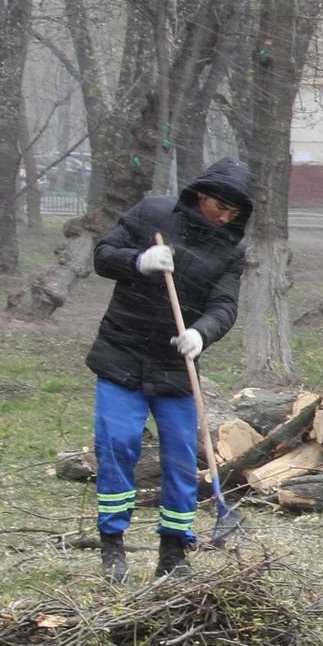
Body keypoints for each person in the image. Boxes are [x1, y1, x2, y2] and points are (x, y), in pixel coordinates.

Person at [88, 157, 252, 581]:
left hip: (176, 365)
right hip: (122, 351)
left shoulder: (231, 249)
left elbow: (225, 305)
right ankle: (113, 547)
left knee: (180, 457)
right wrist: (139, 261)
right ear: (202, 196)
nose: (226, 217)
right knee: (118, 446)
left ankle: (174, 553)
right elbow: (103, 256)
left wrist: (201, 333)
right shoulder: (152, 213)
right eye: (221, 208)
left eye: (235, 213)